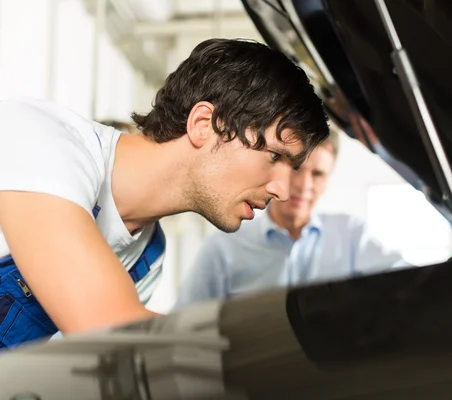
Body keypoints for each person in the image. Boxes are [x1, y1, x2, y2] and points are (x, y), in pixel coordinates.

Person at [0, 38, 329, 349]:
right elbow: (109, 330)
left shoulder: (148, 257)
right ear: (204, 124)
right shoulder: (42, 141)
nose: (283, 190)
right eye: (274, 156)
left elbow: (92, 370)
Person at [175, 129, 410, 305]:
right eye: (296, 169)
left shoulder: (351, 236)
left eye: (317, 174)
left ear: (327, 180)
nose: (303, 185)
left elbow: (409, 282)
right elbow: (184, 326)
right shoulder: (223, 249)